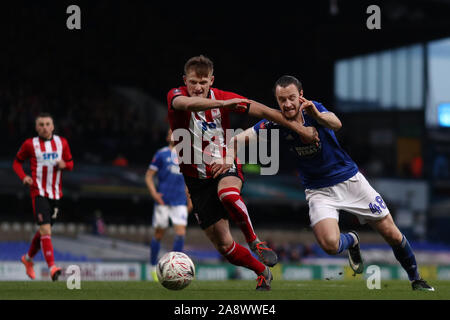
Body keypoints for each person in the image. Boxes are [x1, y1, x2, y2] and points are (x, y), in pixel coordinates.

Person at [224, 75, 434, 291]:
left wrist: (317, 115)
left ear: (300, 96)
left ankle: (416, 279)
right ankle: (351, 240)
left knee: (392, 233)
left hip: (350, 181)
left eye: (291, 98)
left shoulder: (313, 109)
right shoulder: (276, 122)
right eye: (281, 100)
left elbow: (336, 123)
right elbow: (242, 137)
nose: (287, 104)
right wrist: (230, 150)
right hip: (318, 191)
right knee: (330, 245)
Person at [167, 55, 319, 290]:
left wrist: (300, 128)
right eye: (193, 82)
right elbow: (186, 105)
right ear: (185, 81)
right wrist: (224, 104)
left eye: (203, 82)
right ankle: (262, 271)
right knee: (225, 247)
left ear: (211, 81)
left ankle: (255, 242)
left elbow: (262, 110)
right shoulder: (175, 95)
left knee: (228, 194)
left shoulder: (224, 97)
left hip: (224, 163)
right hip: (196, 182)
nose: (198, 87)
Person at [13, 112, 74, 281]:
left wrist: (65, 165)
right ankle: (52, 268)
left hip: (56, 194)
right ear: (36, 127)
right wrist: (24, 177)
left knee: (43, 232)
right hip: (38, 192)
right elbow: (16, 162)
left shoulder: (62, 143)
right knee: (46, 230)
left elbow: (70, 163)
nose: (45, 127)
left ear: (53, 126)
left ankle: (27, 259)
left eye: (48, 124)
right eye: (41, 124)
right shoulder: (30, 144)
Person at [145, 128, 193, 281]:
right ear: (167, 137)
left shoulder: (187, 155)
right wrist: (154, 193)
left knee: (180, 233)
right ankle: (153, 267)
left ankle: (175, 267)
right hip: (163, 201)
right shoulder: (161, 154)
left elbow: (189, 182)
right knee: (159, 234)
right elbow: (148, 176)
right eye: (171, 132)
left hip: (179, 201)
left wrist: (190, 200)